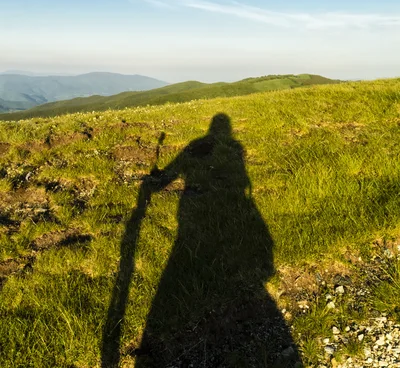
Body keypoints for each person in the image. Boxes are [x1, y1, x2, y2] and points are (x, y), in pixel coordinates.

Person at [103, 114, 302, 368]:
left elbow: (170, 174)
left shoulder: (204, 146)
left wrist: (153, 182)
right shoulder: (235, 148)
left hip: (198, 217)